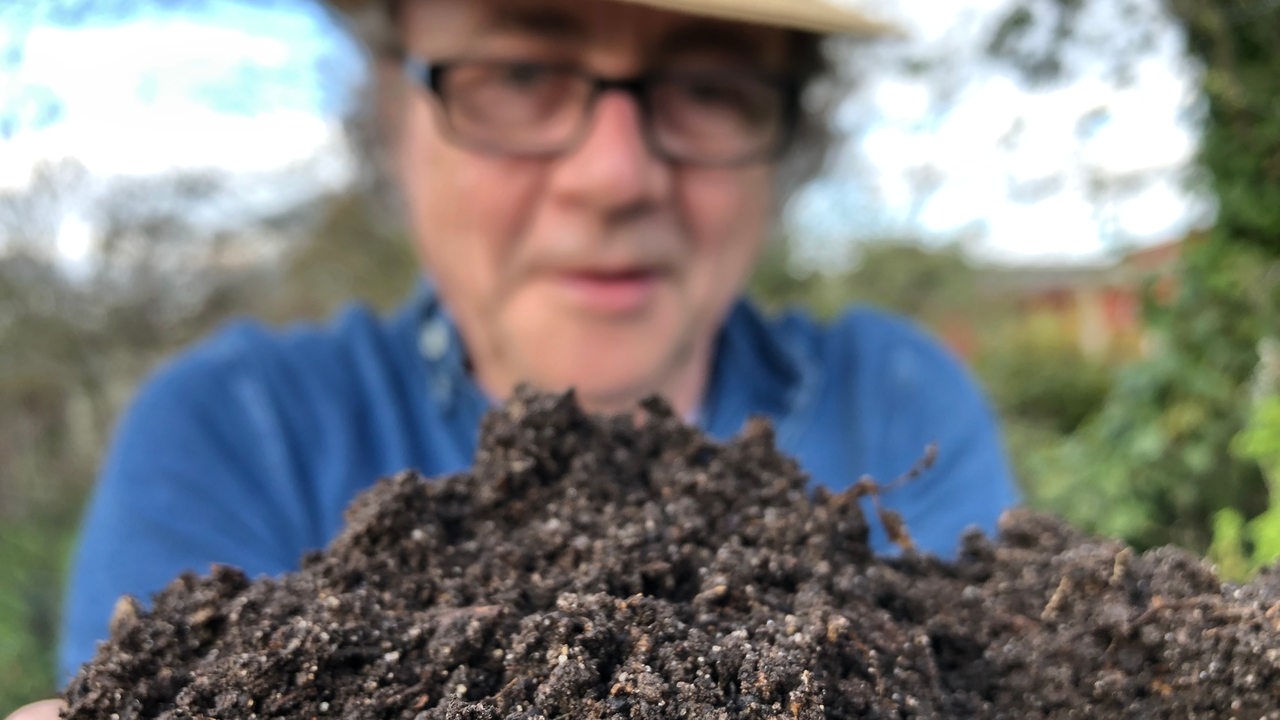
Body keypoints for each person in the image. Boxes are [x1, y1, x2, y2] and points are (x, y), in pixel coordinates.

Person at [7, 0, 1019, 716]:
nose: (614, 175)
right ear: (391, 114)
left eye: (708, 85)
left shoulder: (889, 397)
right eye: (523, 73)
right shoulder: (238, 429)